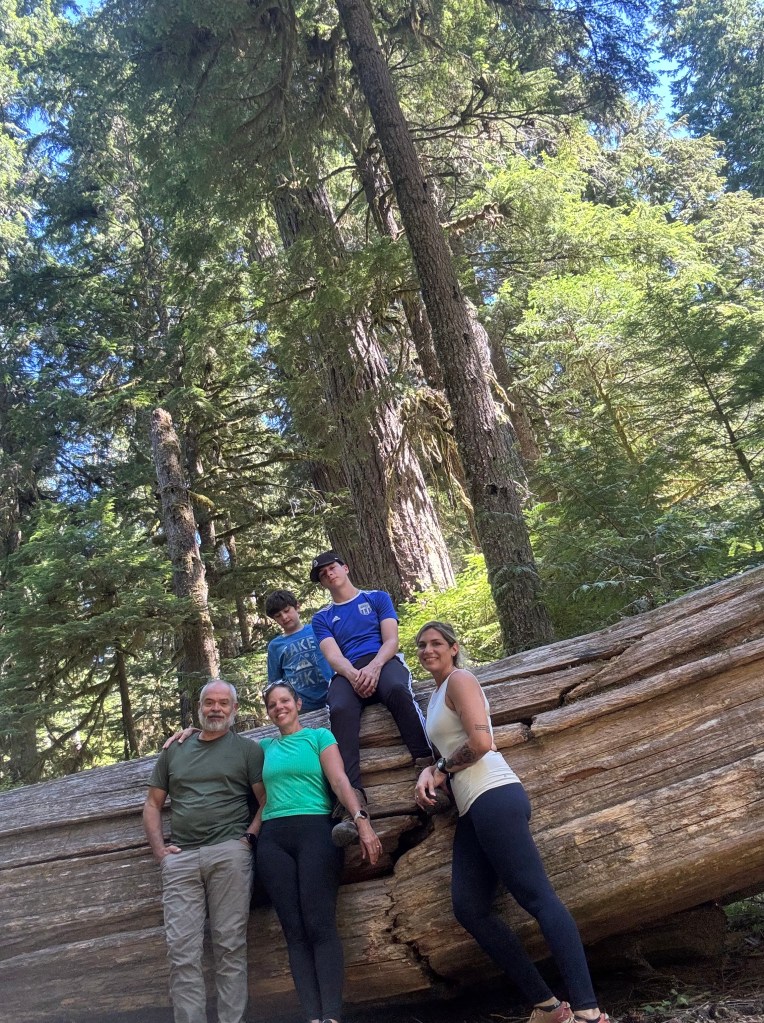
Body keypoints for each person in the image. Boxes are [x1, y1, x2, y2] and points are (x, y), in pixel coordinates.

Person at [414, 622, 609, 1023]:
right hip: (471, 807)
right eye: (421, 645)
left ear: (454, 648)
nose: (427, 649)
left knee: (538, 898)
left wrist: (440, 769)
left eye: (436, 643)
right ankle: (548, 1007)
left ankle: (589, 1012)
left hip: (494, 794)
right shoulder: (434, 695)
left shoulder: (461, 680)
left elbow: (482, 742)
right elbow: (450, 748)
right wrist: (432, 770)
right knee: (469, 908)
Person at [251, 681, 382, 1023]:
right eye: (272, 704)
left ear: (298, 704)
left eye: (285, 701)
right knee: (294, 932)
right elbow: (226, 750)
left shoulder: (319, 737)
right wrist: (193, 731)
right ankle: (312, 1017)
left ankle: (331, 1016)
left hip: (316, 832)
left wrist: (362, 821)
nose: (279, 707)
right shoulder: (263, 748)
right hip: (273, 840)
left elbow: (339, 781)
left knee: (320, 924)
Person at [143, 678, 264, 1023]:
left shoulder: (248, 750)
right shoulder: (175, 750)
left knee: (230, 946)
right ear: (199, 707)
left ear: (234, 709)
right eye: (209, 702)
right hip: (181, 860)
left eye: (223, 703)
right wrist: (160, 852)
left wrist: (248, 839)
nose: (216, 709)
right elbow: (152, 804)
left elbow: (265, 800)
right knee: (182, 952)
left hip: (230, 854)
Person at [309, 550, 448, 846]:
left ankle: (430, 771)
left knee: (397, 690)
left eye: (332, 568)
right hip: (347, 671)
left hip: (382, 660)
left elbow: (391, 640)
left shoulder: (376, 598)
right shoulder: (321, 617)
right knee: (340, 708)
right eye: (322, 574)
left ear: (345, 568)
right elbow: (332, 656)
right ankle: (351, 803)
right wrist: (353, 675)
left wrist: (374, 668)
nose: (329, 574)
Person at [265, 589, 332, 712]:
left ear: (297, 607)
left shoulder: (318, 629)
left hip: (333, 696)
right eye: (278, 616)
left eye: (287, 611)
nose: (284, 617)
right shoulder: (275, 646)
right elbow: (275, 682)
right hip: (301, 707)